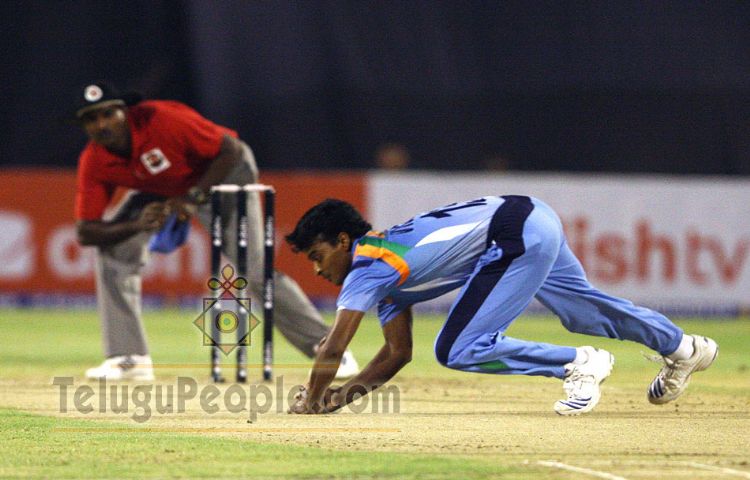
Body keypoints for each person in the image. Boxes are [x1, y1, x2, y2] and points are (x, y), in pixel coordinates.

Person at [284, 196, 718, 415]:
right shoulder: (384, 272)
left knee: (457, 348)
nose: (318, 270)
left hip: (511, 232)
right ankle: (684, 348)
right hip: (532, 215)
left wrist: (313, 399)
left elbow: (333, 347)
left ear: (343, 240)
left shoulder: (367, 267)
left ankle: (577, 364)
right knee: (583, 311)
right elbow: (397, 353)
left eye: (318, 256)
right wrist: (338, 398)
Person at [73, 82, 359, 381]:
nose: (101, 124)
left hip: (224, 172)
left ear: (125, 112)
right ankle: (129, 358)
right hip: (165, 188)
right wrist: (138, 224)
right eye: (91, 119)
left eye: (108, 114)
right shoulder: (95, 160)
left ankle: (330, 350)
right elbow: (86, 232)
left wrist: (193, 197)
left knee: (255, 270)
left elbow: (230, 150)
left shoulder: (162, 119)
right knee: (113, 252)